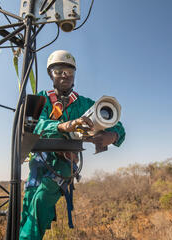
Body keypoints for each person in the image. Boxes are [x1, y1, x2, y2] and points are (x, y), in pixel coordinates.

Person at [19, 50, 125, 240]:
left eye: (69, 71)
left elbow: (118, 125)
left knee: (41, 203)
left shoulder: (84, 104)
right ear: (51, 74)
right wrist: (64, 125)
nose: (65, 75)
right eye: (59, 70)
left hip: (64, 164)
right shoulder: (39, 100)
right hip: (39, 163)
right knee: (28, 207)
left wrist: (112, 135)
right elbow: (31, 126)